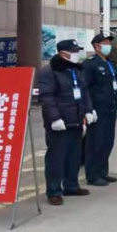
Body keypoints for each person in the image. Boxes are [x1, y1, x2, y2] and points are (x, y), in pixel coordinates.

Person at [38, 39, 97, 206]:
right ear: (63, 53)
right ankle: (54, 191)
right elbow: (47, 97)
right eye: (74, 51)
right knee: (56, 158)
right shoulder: (49, 72)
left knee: (74, 156)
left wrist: (88, 110)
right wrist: (55, 118)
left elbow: (84, 92)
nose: (77, 54)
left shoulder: (76, 70)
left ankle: (71, 185)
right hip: (59, 122)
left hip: (76, 120)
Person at [83, 32, 117, 186]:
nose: (108, 46)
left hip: (110, 108)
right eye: (105, 43)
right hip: (97, 110)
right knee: (96, 142)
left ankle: (102, 172)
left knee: (107, 142)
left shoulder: (109, 63)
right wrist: (89, 109)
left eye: (109, 43)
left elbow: (115, 87)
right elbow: (85, 88)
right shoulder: (90, 64)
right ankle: (93, 175)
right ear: (97, 46)